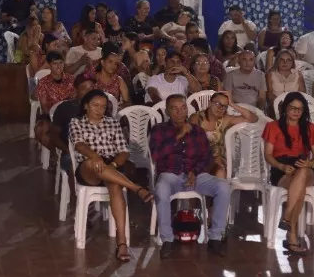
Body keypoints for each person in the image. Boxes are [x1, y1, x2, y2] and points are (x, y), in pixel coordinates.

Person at [68, 89, 154, 262]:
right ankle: (136, 188)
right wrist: (95, 156)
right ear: (86, 106)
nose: (99, 110)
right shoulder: (76, 122)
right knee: (95, 164)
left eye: (103, 106)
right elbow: (79, 145)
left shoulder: (112, 123)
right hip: (88, 167)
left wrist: (113, 165)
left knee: (114, 184)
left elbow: (123, 151)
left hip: (111, 165)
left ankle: (122, 242)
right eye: (95, 106)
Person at [149, 94, 230, 258]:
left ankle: (215, 237)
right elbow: (156, 156)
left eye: (183, 107)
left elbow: (206, 157)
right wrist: (178, 137)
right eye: (175, 108)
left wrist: (196, 171)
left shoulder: (198, 131)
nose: (180, 112)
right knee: (161, 189)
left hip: (196, 176)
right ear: (167, 111)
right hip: (170, 175)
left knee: (223, 186)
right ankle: (168, 240)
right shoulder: (160, 130)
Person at [262, 92, 314, 254]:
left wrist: (311, 163)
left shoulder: (311, 129)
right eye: (293, 108)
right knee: (299, 189)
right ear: (285, 108)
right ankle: (292, 234)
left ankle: (286, 217)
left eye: (300, 109)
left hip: (305, 165)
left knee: (302, 172)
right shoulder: (273, 126)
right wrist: (281, 167)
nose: (296, 112)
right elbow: (268, 155)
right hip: (282, 167)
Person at [189, 91, 258, 178]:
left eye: (225, 106)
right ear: (210, 103)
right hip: (197, 158)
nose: (221, 108)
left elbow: (253, 119)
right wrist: (211, 159)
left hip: (217, 160)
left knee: (220, 171)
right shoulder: (196, 117)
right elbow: (192, 142)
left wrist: (232, 104)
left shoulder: (225, 119)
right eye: (218, 103)